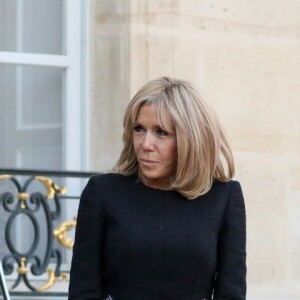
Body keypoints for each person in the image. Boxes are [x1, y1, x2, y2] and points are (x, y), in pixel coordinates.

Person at [68, 76, 246, 300]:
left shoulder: (224, 198)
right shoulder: (102, 193)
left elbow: (231, 293)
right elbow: (83, 292)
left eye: (161, 132)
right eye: (139, 129)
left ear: (191, 139)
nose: (145, 145)